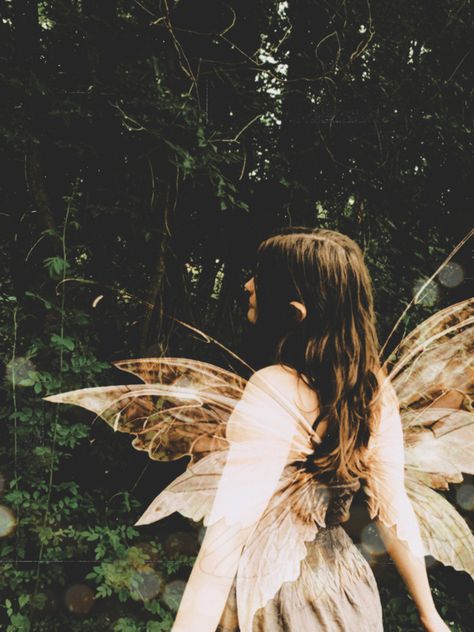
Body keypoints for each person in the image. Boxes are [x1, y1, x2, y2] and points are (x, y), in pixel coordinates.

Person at [45, 227, 469, 631]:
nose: (247, 285)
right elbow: (396, 517)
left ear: (294, 313)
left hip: (279, 599)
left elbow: (225, 544)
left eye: (260, 279)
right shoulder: (375, 390)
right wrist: (429, 615)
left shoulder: (274, 387)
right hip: (348, 596)